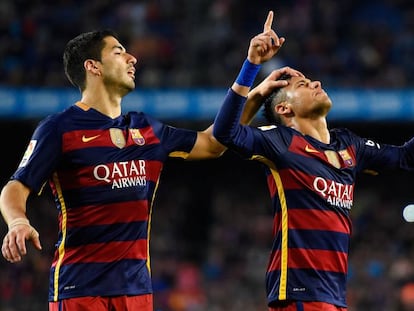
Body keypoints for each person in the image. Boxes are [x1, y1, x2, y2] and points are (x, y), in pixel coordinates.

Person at [0, 23, 288, 310]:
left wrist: (251, 73)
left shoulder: (147, 129)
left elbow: (214, 142)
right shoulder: (59, 128)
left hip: (136, 293)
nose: (132, 58)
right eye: (118, 52)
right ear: (93, 67)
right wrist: (18, 221)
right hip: (80, 291)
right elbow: (16, 186)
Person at [213, 10, 414, 311]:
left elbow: (404, 158)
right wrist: (252, 67)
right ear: (284, 110)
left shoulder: (349, 145)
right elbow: (225, 132)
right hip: (298, 295)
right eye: (304, 85)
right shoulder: (280, 142)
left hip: (334, 296)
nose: (316, 82)